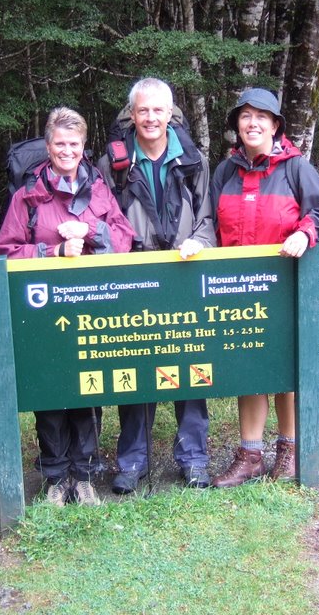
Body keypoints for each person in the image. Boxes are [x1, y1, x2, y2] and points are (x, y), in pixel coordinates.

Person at [0, 106, 135, 506]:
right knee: (51, 390)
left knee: (88, 385)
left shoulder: (99, 188)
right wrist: (51, 250)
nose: (67, 150)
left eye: (74, 144)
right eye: (60, 144)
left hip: (90, 306)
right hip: (44, 310)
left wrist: (90, 229)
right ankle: (55, 476)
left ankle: (86, 473)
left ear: (83, 145)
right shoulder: (30, 195)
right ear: (48, 145)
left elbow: (124, 238)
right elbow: (5, 253)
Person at [209, 88, 319, 488]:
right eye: (245, 116)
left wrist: (307, 232)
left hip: (285, 287)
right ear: (236, 125)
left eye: (261, 117)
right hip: (236, 289)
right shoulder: (225, 172)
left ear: (275, 125)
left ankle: (289, 451)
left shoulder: (295, 168)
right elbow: (209, 223)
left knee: (287, 370)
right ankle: (250, 456)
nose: (252, 124)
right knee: (249, 368)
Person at [97, 77, 217, 493]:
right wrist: (122, 253)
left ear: (170, 114)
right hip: (134, 278)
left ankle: (194, 458)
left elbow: (208, 217)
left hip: (184, 272)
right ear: (132, 114)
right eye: (142, 110)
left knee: (191, 368)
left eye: (158, 110)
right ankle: (132, 461)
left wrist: (197, 242)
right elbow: (101, 220)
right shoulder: (113, 162)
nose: (150, 118)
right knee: (134, 367)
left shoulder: (192, 160)